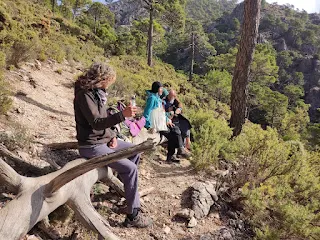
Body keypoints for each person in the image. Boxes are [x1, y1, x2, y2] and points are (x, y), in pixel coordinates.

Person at [74, 63, 152, 228]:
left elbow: (103, 122)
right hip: (91, 146)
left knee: (134, 152)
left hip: (101, 140)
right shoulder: (85, 95)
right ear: (102, 79)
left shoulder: (97, 93)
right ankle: (133, 215)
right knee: (130, 169)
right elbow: (96, 123)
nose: (110, 84)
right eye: (109, 80)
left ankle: (120, 190)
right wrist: (122, 115)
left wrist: (112, 135)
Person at [143, 81, 191, 163]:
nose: (162, 90)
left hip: (162, 123)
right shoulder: (152, 98)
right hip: (156, 124)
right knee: (175, 132)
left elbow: (161, 113)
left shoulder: (158, 99)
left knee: (176, 130)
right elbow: (146, 112)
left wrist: (167, 119)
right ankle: (179, 150)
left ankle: (173, 155)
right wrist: (148, 125)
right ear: (157, 89)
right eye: (161, 88)